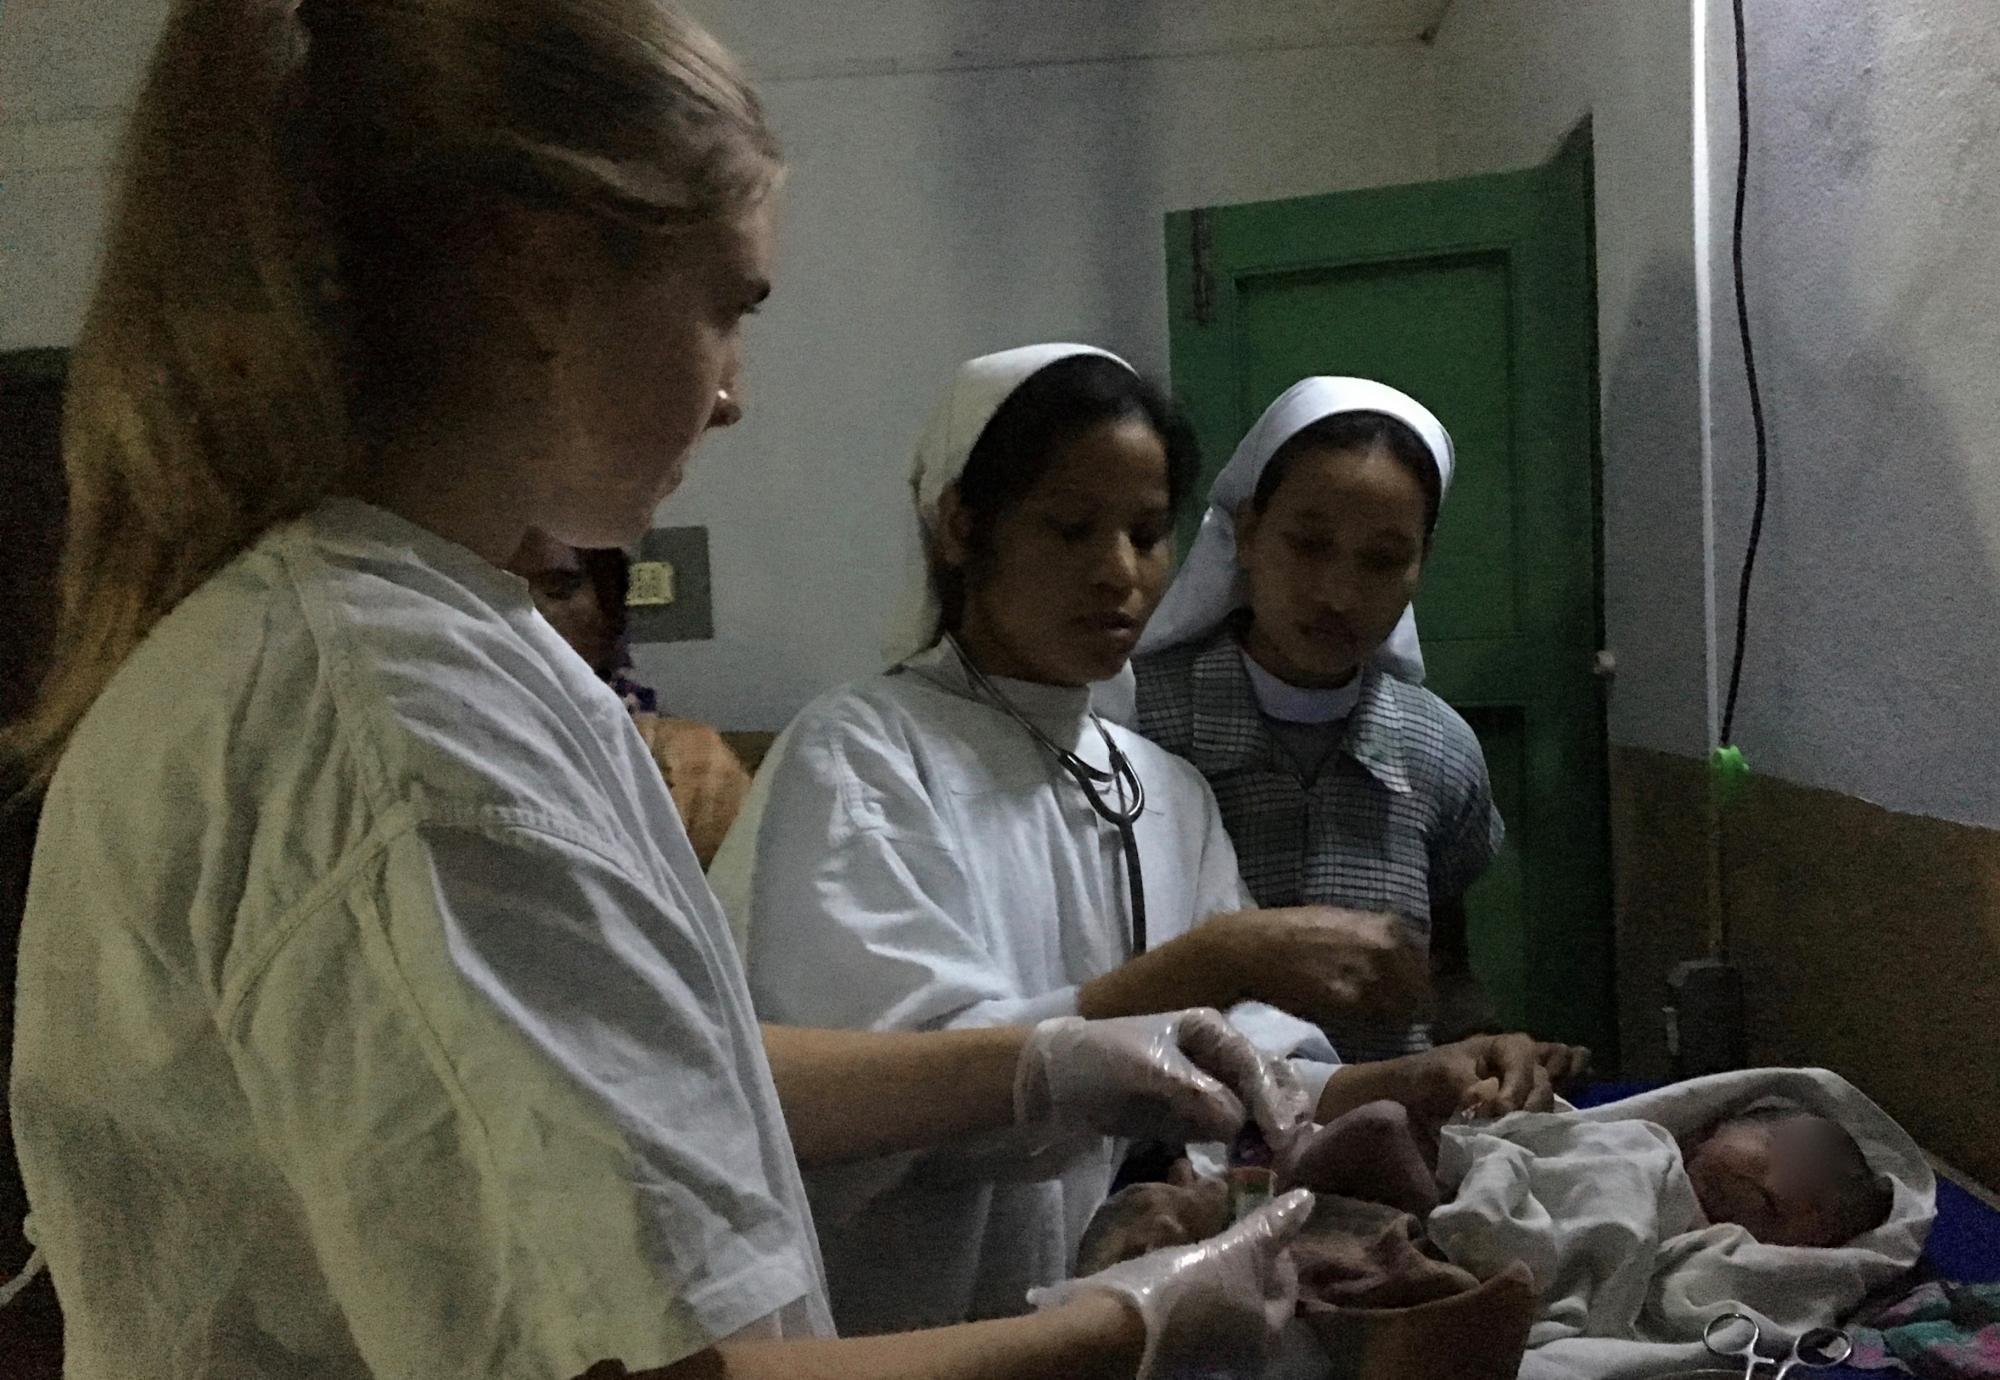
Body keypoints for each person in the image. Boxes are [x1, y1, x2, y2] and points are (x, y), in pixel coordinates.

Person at [1, 3, 1328, 1377]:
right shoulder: (396, 727)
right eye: (726, 307)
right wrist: (1132, 1325)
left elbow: (651, 1089)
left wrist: (1049, 1061)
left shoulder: (438, 642)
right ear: (539, 273)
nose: (735, 393)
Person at [709, 345, 1570, 1336]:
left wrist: (1403, 1082)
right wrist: (1202, 963)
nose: (1118, 572)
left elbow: (1240, 1065)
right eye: (1071, 528)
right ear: (961, 525)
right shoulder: (863, 753)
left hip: (1105, 1323)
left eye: (1146, 533)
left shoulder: (1160, 786)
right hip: (921, 1316)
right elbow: (881, 1094)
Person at [1121, 379, 1582, 1069]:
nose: (1340, 593)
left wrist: (1490, 1050)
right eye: (1308, 544)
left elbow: (1443, 978)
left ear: (1421, 564)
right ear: (1247, 532)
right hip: (1181, 1144)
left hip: (1389, 1142)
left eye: (1384, 559)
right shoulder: (1135, 728)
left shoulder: (1441, 752)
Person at [508, 528, 752, 866]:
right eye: (498, 590)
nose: (530, 613)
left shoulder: (692, 762)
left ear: (608, 610)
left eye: (559, 587)